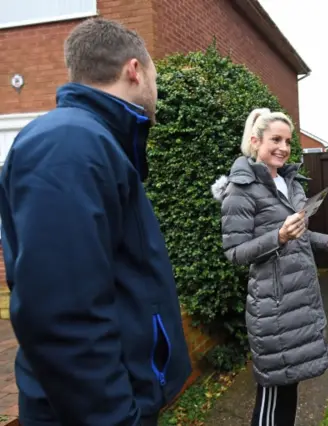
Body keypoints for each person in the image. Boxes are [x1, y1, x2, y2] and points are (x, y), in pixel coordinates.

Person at [0, 18, 191, 425]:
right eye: (155, 74)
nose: (156, 88)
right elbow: (62, 314)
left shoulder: (94, 141)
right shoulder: (68, 144)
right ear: (135, 70)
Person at [212, 108, 328, 426]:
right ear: (255, 140)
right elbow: (234, 252)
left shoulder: (289, 183)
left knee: (289, 391)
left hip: (300, 301)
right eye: (275, 139)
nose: (284, 147)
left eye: (288, 141)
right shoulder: (241, 190)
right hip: (274, 308)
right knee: (272, 397)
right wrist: (278, 236)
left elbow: (300, 233)